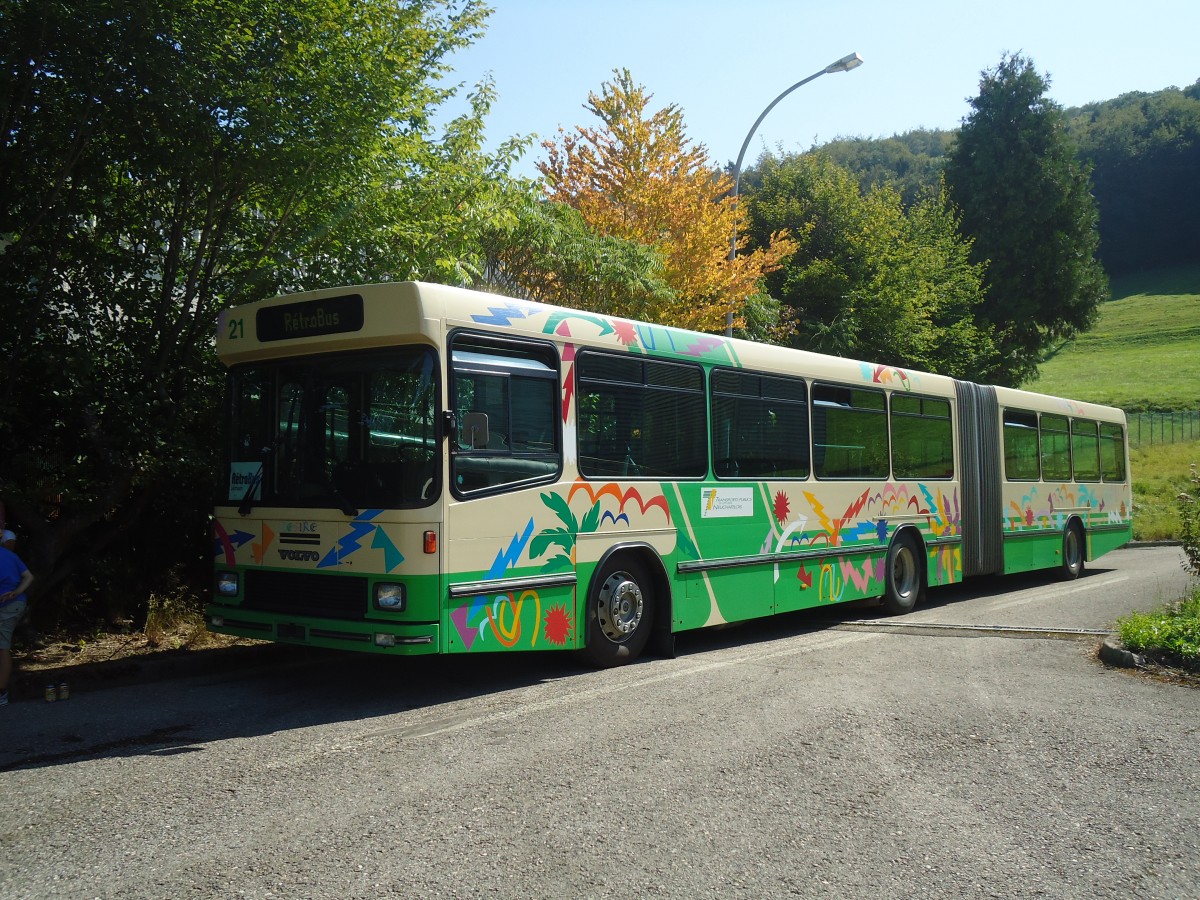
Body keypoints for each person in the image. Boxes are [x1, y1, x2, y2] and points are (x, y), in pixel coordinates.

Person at [0, 539, 33, 707]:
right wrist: (16, 592)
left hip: (6, 606)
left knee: (2, 647)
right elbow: (28, 576)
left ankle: (1, 692)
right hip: (15, 603)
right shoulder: (10, 555)